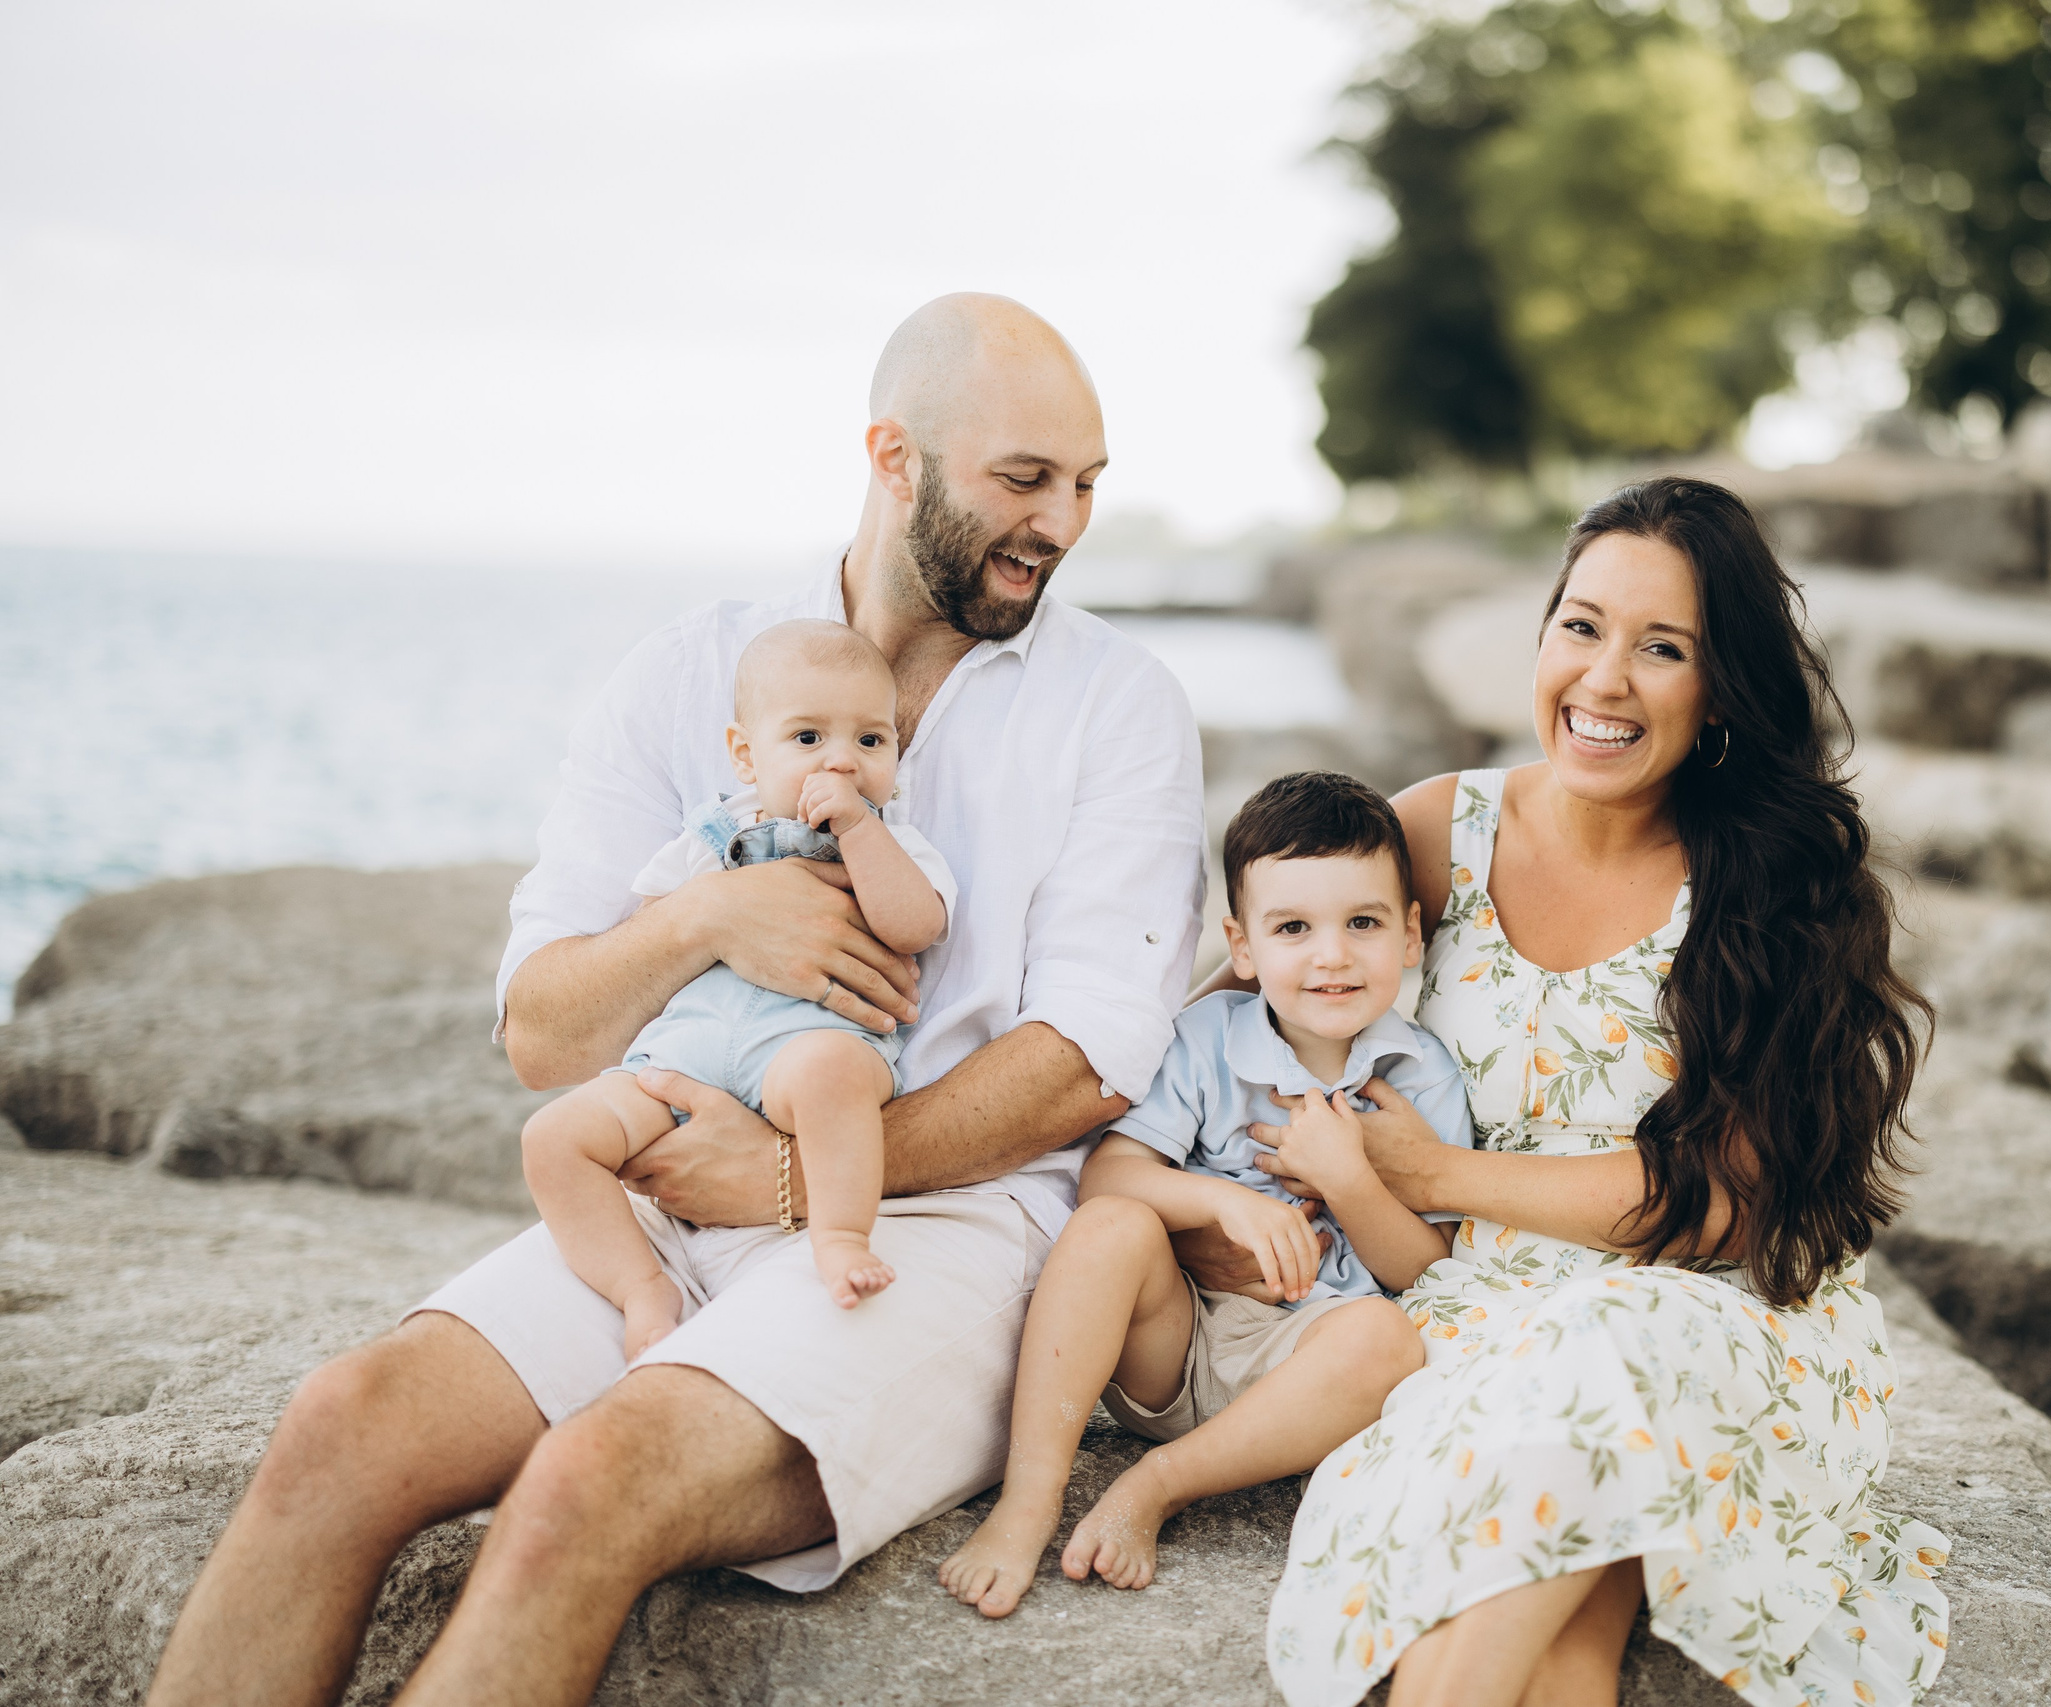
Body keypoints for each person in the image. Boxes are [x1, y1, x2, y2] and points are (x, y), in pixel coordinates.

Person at [144, 293, 1207, 1707]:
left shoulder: (1119, 704)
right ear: (896, 459)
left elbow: (1089, 1061)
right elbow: (543, 1030)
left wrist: (787, 1173)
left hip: (956, 1226)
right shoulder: (691, 672)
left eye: (1086, 484)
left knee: (591, 1479)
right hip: (665, 1187)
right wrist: (708, 916)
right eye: (1024, 477)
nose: (1063, 521)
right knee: (341, 1422)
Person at [1248, 478, 1954, 1707]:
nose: (1604, 678)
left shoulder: (1772, 882)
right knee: (1563, 1616)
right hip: (1473, 1317)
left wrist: (1436, 1176)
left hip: (1709, 1317)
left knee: (1601, 1378)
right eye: (1581, 626)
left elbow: (1727, 1205)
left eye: (1661, 647)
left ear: (1720, 689)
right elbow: (1236, 1019)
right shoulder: (1435, 836)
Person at [937, 771, 1478, 1620]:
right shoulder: (1204, 1039)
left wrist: (1349, 1179)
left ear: (1410, 934)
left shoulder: (1421, 1075)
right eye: (1293, 927)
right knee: (1114, 1225)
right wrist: (1228, 1203)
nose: (1330, 954)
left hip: (1305, 1369)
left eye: (1362, 923)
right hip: (1177, 1344)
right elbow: (1109, 1176)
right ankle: (1030, 1496)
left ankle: (1158, 1484)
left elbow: (1427, 1267)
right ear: (1243, 944)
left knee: (1387, 1339)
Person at [522, 618, 958, 1357]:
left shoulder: (891, 840)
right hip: (689, 1047)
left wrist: (857, 829)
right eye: (809, 739)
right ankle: (639, 1285)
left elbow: (915, 924)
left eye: (870, 741)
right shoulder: (709, 836)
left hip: (806, 1042)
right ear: (745, 755)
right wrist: (716, 914)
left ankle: (842, 1236)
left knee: (829, 1084)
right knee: (554, 1137)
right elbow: (655, 931)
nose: (842, 763)